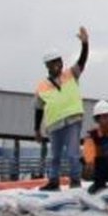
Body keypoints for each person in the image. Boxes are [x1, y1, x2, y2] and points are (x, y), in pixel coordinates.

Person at [35, 26, 89, 190]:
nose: (57, 64)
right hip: (54, 124)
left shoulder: (71, 74)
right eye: (53, 62)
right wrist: (36, 129)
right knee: (55, 156)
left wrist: (85, 44)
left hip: (72, 119)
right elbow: (38, 109)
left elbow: (82, 61)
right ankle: (53, 181)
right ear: (48, 66)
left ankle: (75, 181)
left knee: (73, 153)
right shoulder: (42, 86)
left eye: (59, 61)